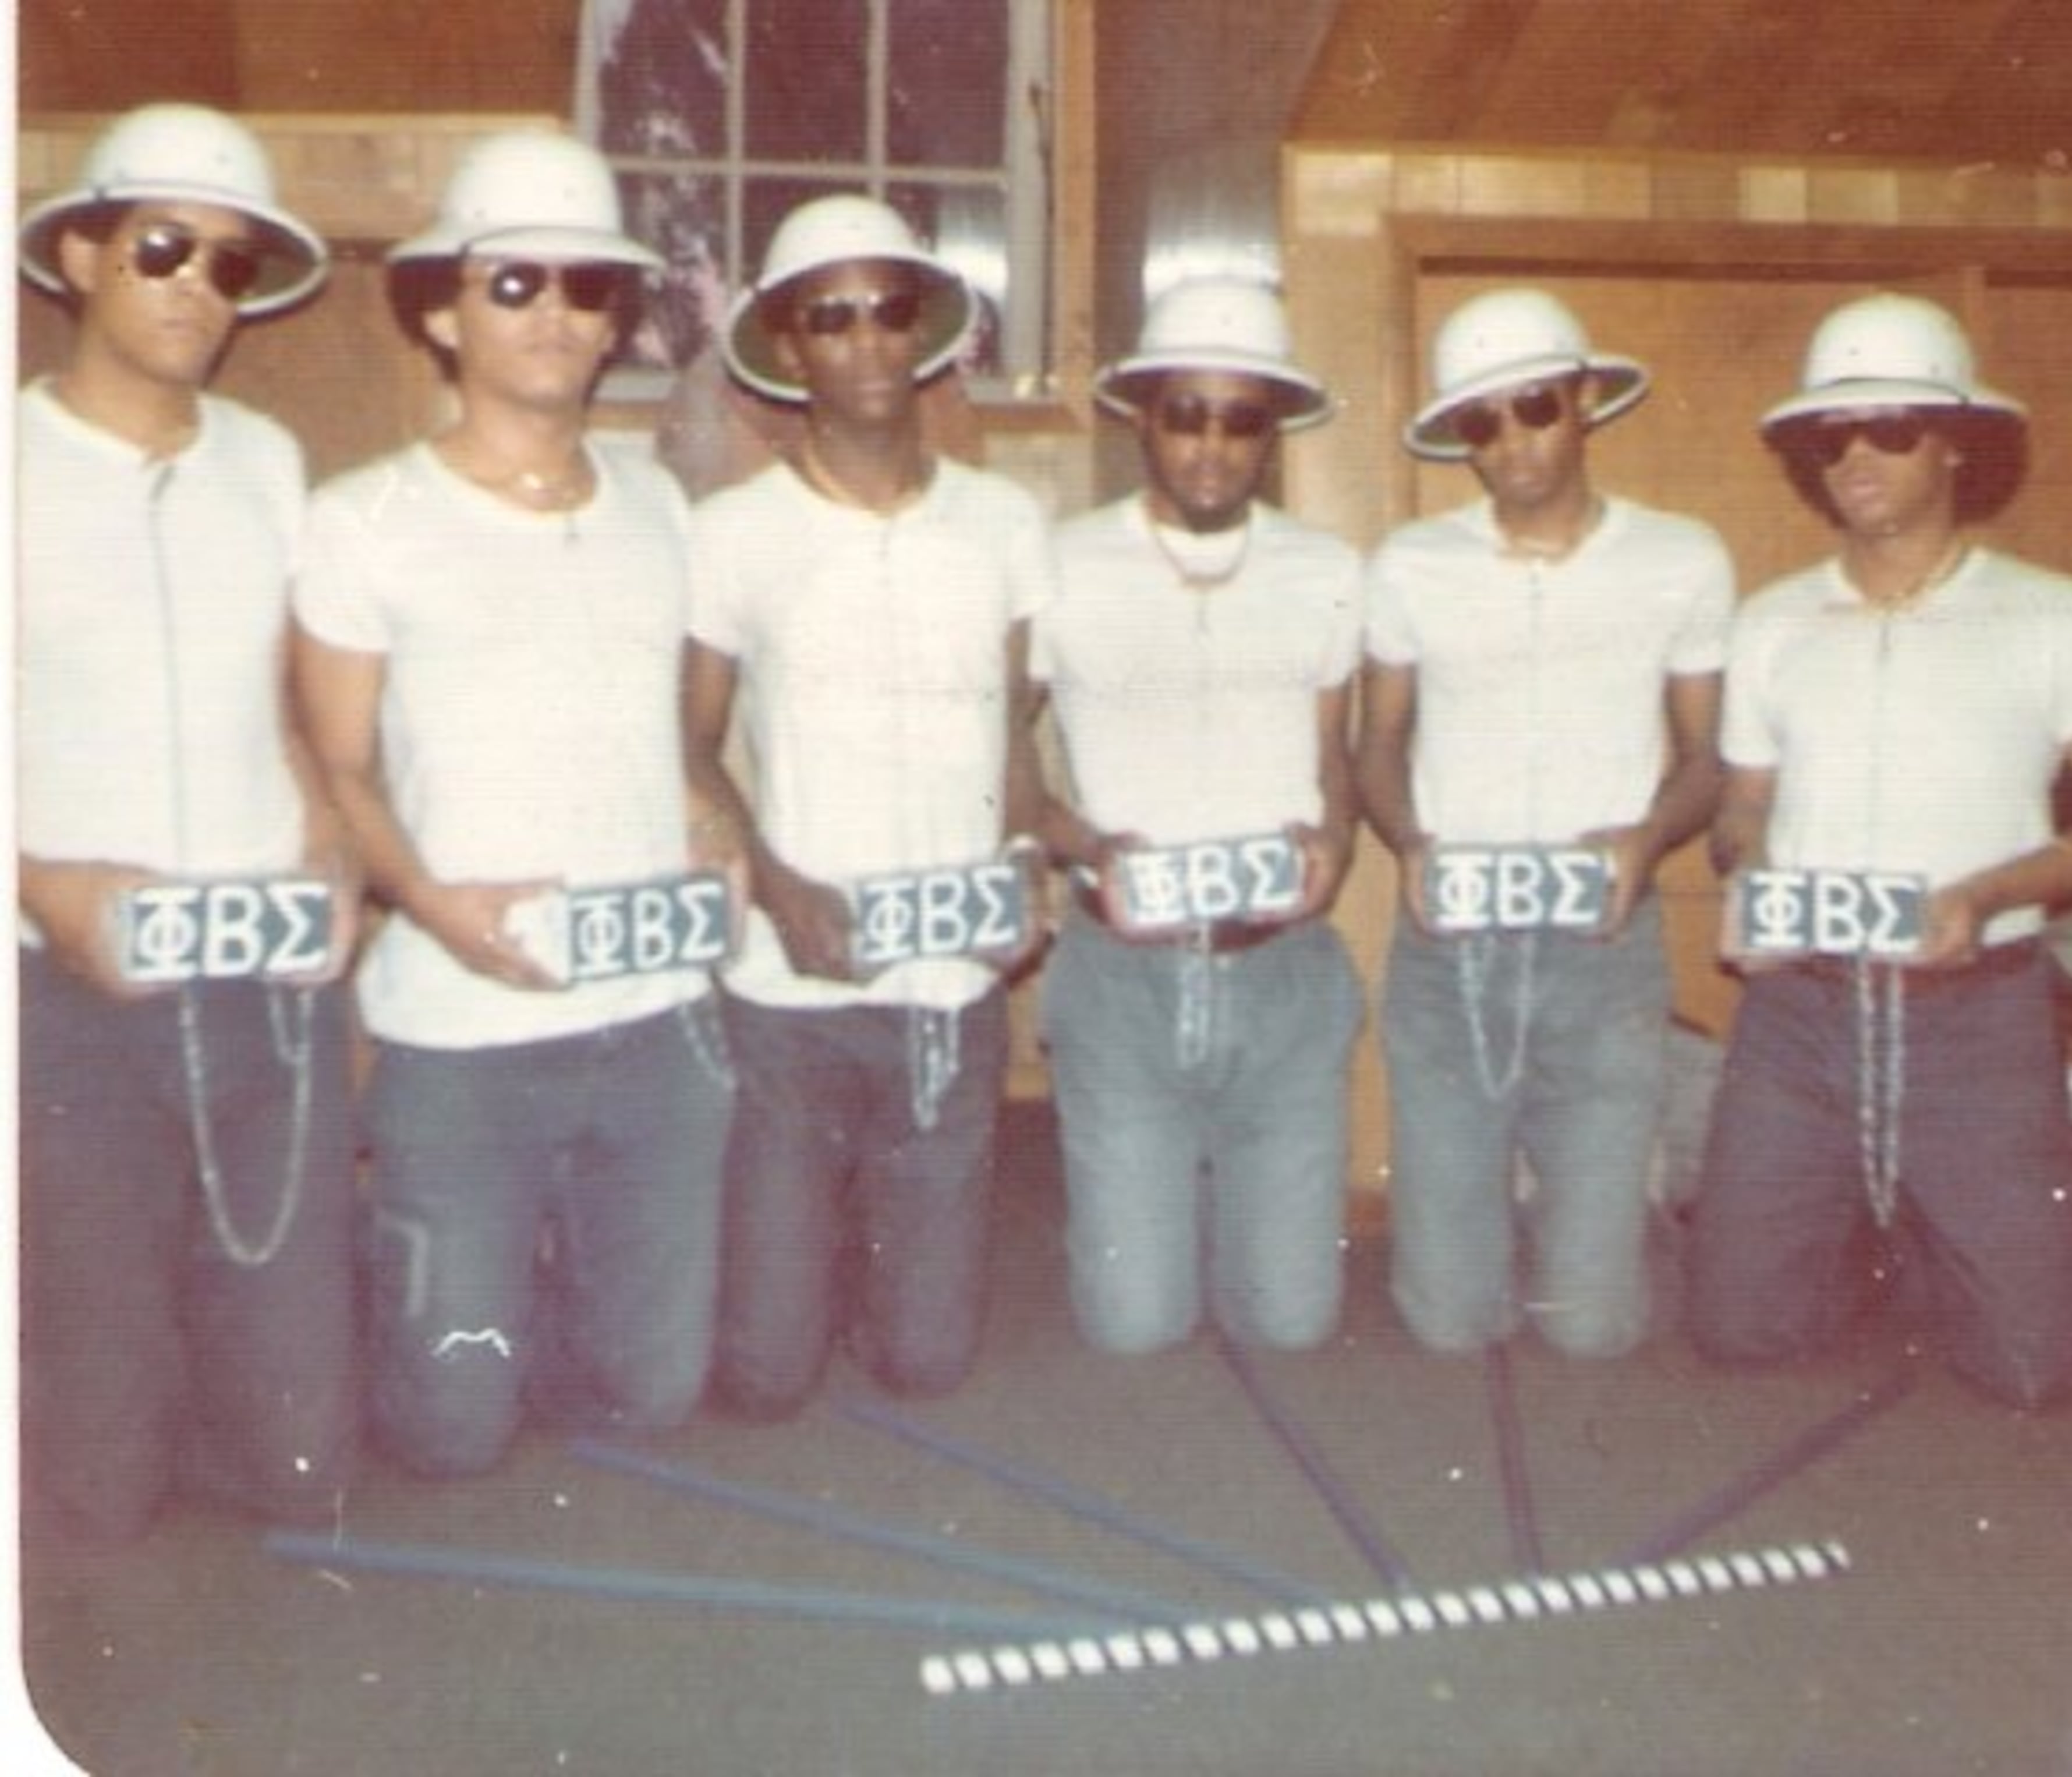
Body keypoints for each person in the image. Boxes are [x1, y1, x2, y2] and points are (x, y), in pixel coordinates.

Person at [292, 130, 736, 1478]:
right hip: (461, 1031)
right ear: (443, 310)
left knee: (654, 1395)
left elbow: (674, 735)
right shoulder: (363, 518)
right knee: (450, 1432)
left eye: (586, 287)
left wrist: (711, 819)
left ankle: (538, 1268)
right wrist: (430, 903)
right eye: (516, 282)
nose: (555, 313)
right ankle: (449, 1274)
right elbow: (338, 766)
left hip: (651, 1018)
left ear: (613, 323)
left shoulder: (662, 508)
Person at [1685, 292, 2072, 1409]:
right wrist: (1748, 873)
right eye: (1833, 436)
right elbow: (1742, 808)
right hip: (1801, 1017)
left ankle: (1967, 1219)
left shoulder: (2055, 617)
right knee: (1740, 1333)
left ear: (1956, 443)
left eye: (1892, 428)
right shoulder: (1772, 623)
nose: (1856, 457)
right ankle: (1874, 1229)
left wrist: (1988, 895)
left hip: (1978, 1015)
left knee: (2031, 1371)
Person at [15, 102, 360, 1542]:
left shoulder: (268, 462)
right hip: (64, 993)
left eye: (228, 264)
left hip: (260, 982)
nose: (198, 288)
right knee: (102, 1491)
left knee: (303, 1474)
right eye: (164, 249)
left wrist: (332, 855)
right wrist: (40, 885)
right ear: (81, 255)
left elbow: (287, 705)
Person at [683, 193, 1054, 1419]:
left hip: (948, 992)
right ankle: (800, 1243)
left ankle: (865, 1246)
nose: (864, 341)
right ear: (790, 349)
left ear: (924, 330)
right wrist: (776, 884)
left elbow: (1013, 729)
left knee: (925, 1364)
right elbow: (688, 743)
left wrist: (1022, 864)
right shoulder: (732, 533)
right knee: (765, 1375)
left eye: (887, 310)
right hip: (794, 995)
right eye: (829, 318)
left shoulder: (1004, 523)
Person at [1356, 289, 1735, 1360]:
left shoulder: (1683, 558)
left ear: (1583, 403)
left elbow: (1707, 759)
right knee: (1449, 1325)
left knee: (1593, 1332)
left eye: (1535, 408)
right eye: (1482, 422)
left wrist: (1645, 842)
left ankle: (1622, 1184)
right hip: (1452, 953)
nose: (1513, 441)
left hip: (1602, 953)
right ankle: (1527, 1195)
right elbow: (1377, 745)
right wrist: (1411, 843)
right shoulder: (1411, 564)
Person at [1026, 277, 1364, 1354]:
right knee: (1135, 1328)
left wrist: (1336, 840)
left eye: (1241, 420)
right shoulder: (1060, 564)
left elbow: (1335, 756)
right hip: (1122, 975)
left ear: (1271, 431)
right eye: (1187, 415)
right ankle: (1145, 1205)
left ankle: (1224, 1200)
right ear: (1144, 416)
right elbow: (996, 761)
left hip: (1282, 973)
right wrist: (1080, 844)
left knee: (1293, 1325)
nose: (1212, 446)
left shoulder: (1327, 570)